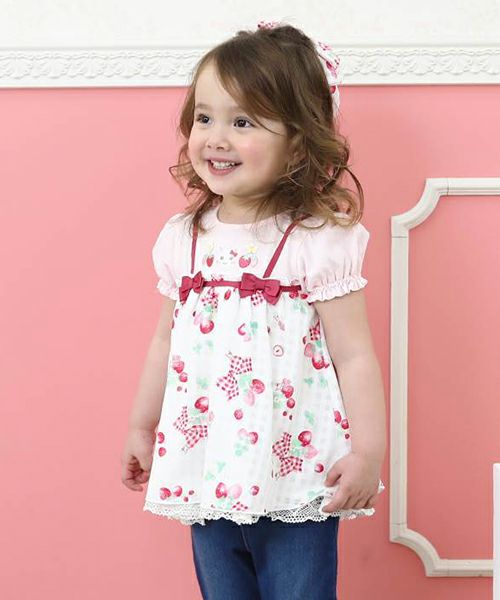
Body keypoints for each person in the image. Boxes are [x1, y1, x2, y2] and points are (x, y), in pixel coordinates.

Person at [121, 20, 386, 600]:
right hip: (205, 462)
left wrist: (368, 453)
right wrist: (143, 424)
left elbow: (355, 355)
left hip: (296, 471)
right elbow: (165, 341)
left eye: (242, 122)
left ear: (298, 140)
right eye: (205, 117)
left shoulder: (318, 240)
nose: (216, 137)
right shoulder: (184, 238)